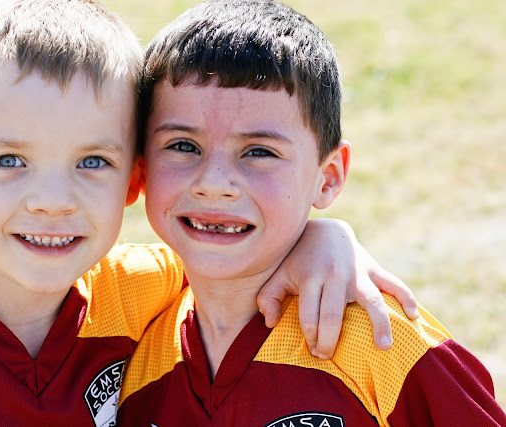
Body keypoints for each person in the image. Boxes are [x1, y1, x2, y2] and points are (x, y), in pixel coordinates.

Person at [0, 0, 418, 425]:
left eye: (92, 161)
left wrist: (321, 239)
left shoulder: (145, 294)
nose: (53, 200)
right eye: (8, 160)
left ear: (134, 179)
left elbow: (238, 258)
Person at [117, 0, 506, 425]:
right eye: (183, 146)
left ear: (328, 176)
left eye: (259, 152)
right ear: (140, 164)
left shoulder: (383, 342)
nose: (214, 182)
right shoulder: (127, 346)